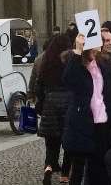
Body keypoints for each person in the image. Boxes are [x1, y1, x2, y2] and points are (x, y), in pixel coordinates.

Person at [63, 33, 111, 185]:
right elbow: (68, 80)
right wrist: (78, 51)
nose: (96, 48)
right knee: (78, 166)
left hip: (102, 122)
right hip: (83, 121)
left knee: (100, 165)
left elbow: (107, 91)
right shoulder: (75, 63)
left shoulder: (102, 65)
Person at [31, 32, 73, 185]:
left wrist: (41, 104)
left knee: (51, 145)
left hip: (50, 105)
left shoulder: (46, 61)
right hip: (68, 104)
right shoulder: (69, 60)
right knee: (68, 143)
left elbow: (38, 86)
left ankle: (48, 168)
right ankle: (64, 175)